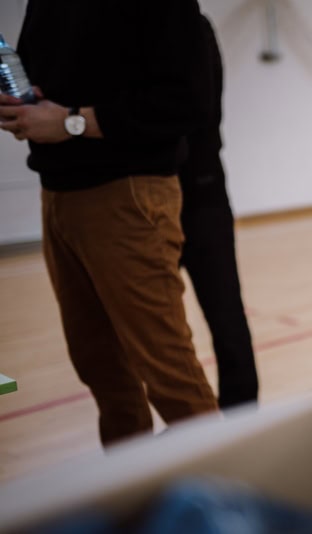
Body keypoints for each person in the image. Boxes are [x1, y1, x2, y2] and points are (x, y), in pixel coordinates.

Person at [0, 0, 219, 445]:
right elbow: (48, 75)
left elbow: (186, 100)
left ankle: (231, 502)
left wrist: (72, 123)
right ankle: (130, 496)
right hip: (58, 196)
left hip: (129, 197)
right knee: (101, 370)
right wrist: (26, 106)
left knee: (170, 376)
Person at [180, 14, 259, 409]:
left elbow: (200, 111)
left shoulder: (189, 25)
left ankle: (241, 418)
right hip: (139, 199)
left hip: (201, 191)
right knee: (163, 334)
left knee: (225, 315)